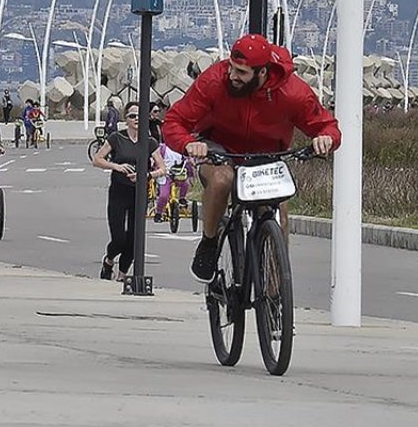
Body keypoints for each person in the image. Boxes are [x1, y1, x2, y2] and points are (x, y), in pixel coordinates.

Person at [162, 34, 341, 283]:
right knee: (222, 180)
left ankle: (275, 290)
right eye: (232, 68)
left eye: (242, 72)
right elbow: (174, 121)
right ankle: (209, 242)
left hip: (266, 154)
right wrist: (189, 143)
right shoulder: (214, 80)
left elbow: (327, 126)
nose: (232, 76)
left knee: (279, 215)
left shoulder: (293, 92)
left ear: (262, 72)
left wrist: (325, 139)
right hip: (218, 147)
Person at [90, 103, 166, 282]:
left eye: (140, 116)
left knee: (134, 239)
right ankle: (109, 261)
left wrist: (146, 175)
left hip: (139, 193)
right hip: (119, 191)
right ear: (126, 120)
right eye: (132, 116)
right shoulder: (117, 138)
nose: (137, 119)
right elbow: (97, 159)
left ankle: (122, 276)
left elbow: (162, 168)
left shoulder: (149, 142)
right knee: (119, 239)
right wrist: (117, 166)